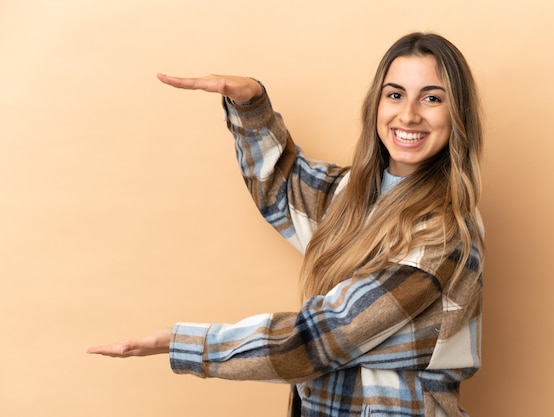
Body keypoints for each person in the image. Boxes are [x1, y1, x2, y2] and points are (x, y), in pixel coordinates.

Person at [88, 32, 485, 417]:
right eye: (395, 94)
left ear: (457, 114)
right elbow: (283, 187)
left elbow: (314, 343)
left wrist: (182, 343)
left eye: (432, 98)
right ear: (376, 105)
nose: (408, 114)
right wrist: (251, 104)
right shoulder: (352, 195)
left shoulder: (443, 234)